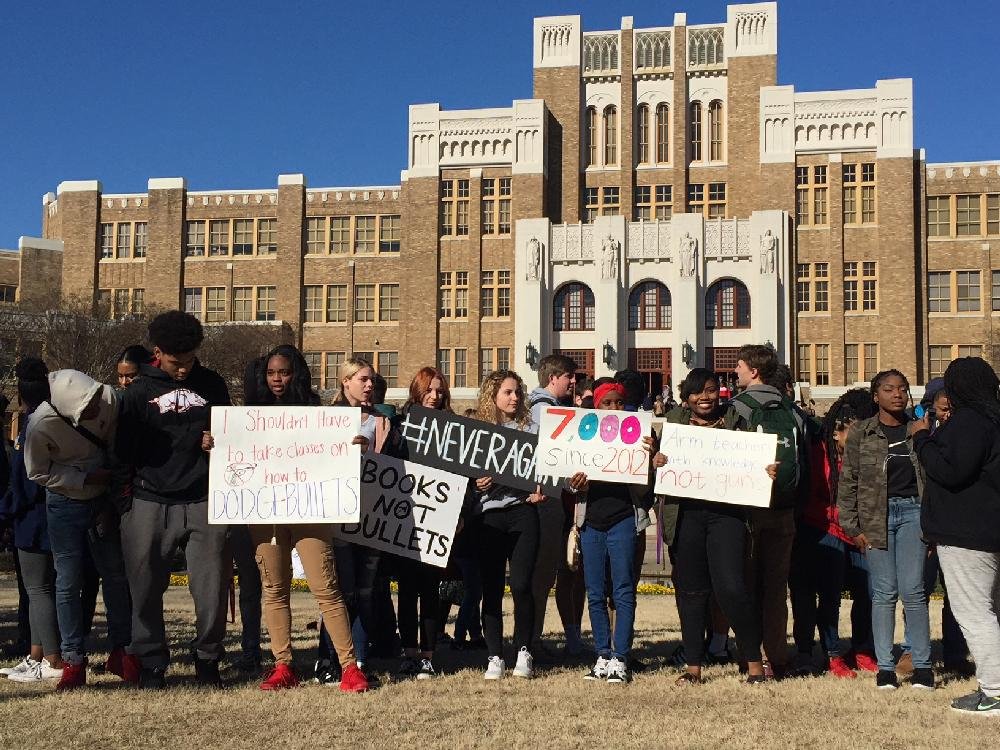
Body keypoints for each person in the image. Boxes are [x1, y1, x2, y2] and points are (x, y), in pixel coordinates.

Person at [111, 310, 232, 689]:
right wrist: (124, 503)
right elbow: (120, 452)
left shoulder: (212, 384)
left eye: (191, 361)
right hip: (148, 501)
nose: (183, 369)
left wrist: (219, 441)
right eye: (177, 363)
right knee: (144, 587)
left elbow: (234, 435)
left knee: (210, 588)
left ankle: (207, 659)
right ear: (157, 352)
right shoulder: (137, 393)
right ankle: (151, 661)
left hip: (203, 499)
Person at [239, 345, 367, 692]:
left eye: (284, 372)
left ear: (296, 373)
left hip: (309, 508)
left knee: (327, 588)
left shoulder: (315, 411)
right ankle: (284, 666)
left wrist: (351, 445)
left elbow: (331, 453)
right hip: (265, 511)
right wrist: (215, 444)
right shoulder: (248, 416)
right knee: (275, 590)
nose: (277, 379)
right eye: (271, 373)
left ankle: (349, 667)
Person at [24, 367, 133, 691]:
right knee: (67, 581)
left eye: (97, 399)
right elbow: (37, 472)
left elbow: (116, 442)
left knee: (115, 575)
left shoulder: (109, 398)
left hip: (103, 499)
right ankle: (73, 657)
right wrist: (82, 478)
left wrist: (109, 481)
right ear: (70, 413)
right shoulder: (41, 424)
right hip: (65, 502)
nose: (98, 408)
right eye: (88, 409)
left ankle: (121, 649)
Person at [659, 369, 767, 685]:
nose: (704, 397)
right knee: (691, 591)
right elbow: (657, 468)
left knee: (731, 587)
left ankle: (754, 663)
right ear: (686, 396)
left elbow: (754, 462)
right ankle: (693, 666)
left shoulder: (736, 420)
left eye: (709, 390)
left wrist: (766, 470)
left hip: (727, 515)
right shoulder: (674, 424)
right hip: (686, 514)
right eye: (697, 392)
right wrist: (658, 461)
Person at [837, 369, 933, 691]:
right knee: (883, 593)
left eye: (902, 389)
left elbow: (932, 479)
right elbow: (847, 482)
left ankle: (922, 666)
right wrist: (853, 526)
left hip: (913, 513)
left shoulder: (917, 430)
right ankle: (886, 668)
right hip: (875, 519)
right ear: (875, 396)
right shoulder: (862, 433)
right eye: (889, 389)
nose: (897, 394)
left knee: (914, 591)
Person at [914, 357, 1000, 715]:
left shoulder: (969, 422)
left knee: (976, 613)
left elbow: (951, 470)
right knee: (991, 610)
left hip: (967, 533)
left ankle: (994, 691)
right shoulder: (994, 419)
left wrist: (922, 439)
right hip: (989, 530)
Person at [319, 357, 401, 682]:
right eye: (363, 379)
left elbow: (392, 468)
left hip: (371, 517)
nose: (369, 385)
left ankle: (360, 661)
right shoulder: (327, 419)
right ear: (346, 382)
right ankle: (328, 661)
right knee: (339, 591)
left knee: (366, 591)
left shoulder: (383, 421)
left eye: (372, 380)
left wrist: (376, 450)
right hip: (337, 516)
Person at [729, 345, 807, 678]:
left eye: (739, 366)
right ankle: (778, 655)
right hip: (785, 509)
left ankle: (752, 655)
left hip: (748, 509)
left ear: (754, 371)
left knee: (744, 584)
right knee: (776, 587)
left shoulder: (738, 409)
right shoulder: (793, 411)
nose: (736, 372)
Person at [789, 388, 877, 678]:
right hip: (823, 530)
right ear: (837, 432)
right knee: (829, 595)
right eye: (855, 433)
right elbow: (812, 499)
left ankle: (862, 648)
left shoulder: (863, 457)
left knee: (868, 591)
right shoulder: (818, 455)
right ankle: (831, 652)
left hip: (857, 532)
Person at [574, 381, 655, 684]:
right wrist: (576, 483)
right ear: (596, 406)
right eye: (606, 403)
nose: (613, 409)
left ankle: (620, 657)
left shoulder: (639, 437)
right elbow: (568, 481)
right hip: (591, 521)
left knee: (622, 591)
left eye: (618, 403)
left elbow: (646, 489)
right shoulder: (582, 437)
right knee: (595, 592)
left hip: (623, 519)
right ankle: (601, 655)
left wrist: (649, 459)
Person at [472, 369, 546, 679]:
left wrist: (540, 488)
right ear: (493, 396)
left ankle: (523, 652)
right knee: (490, 588)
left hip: (522, 513)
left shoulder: (532, 429)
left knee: (520, 585)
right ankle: (494, 656)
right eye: (508, 392)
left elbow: (547, 469)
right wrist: (476, 483)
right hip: (488, 517)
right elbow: (461, 474)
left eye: (517, 392)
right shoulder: (475, 430)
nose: (515, 397)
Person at [0, 358, 64, 684]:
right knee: (40, 589)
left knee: (38, 590)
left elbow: (25, 482)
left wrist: (6, 511)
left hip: (33, 520)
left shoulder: (33, 426)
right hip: (47, 516)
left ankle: (52, 657)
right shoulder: (52, 420)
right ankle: (36, 655)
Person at [396, 367, 451, 679]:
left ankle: (428, 656)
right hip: (402, 520)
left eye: (439, 391)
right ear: (416, 391)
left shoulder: (451, 430)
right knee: (407, 590)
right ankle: (408, 653)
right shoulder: (398, 427)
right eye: (429, 390)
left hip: (436, 522)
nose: (434, 396)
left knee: (431, 590)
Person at [526, 354, 579, 655]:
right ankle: (531, 640)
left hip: (551, 498)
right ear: (552, 379)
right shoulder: (544, 411)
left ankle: (533, 638)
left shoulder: (551, 410)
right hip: (546, 500)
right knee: (542, 574)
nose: (573, 382)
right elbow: (548, 459)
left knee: (546, 574)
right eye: (569, 376)